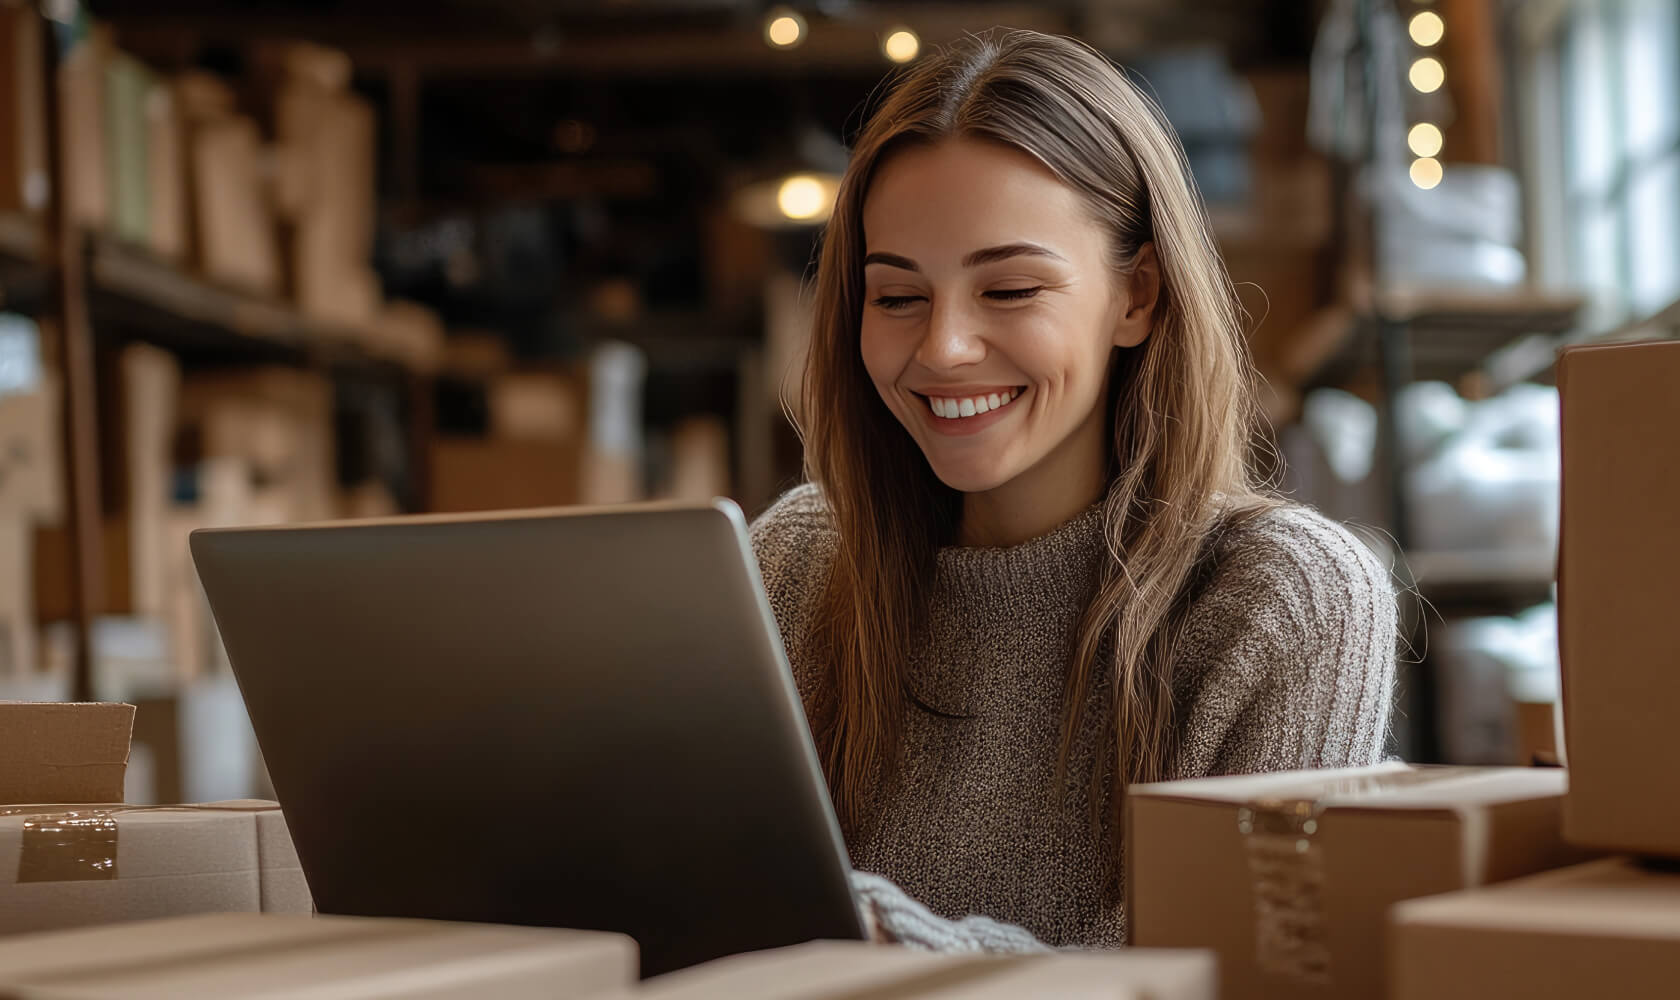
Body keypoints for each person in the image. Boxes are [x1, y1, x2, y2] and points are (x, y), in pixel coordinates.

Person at [749, 28, 1397, 951]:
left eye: (1009, 289)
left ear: (1137, 297)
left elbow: (1223, 976)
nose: (942, 349)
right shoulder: (801, 557)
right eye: (897, 298)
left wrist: (869, 936)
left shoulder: (1287, 599)